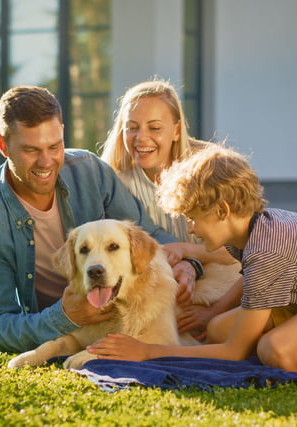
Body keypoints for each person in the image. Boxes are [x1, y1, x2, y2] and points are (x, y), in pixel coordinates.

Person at [88, 144, 297, 372]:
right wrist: (213, 311)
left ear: (222, 210)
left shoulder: (268, 249)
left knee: (277, 352)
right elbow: (251, 280)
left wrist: (147, 352)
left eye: (194, 218)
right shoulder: (253, 231)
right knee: (218, 328)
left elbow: (236, 353)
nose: (191, 229)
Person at [0, 85, 197, 354]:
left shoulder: (89, 170)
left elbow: (147, 233)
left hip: (120, 309)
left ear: (63, 133)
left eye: (54, 146)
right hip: (60, 325)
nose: (46, 162)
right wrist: (66, 316)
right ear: (3, 145)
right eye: (31, 150)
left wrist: (190, 263)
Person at [99, 79, 242, 339]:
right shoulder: (115, 182)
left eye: (154, 127)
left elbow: (238, 249)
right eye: (131, 128)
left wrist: (189, 258)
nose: (141, 138)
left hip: (219, 274)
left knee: (219, 327)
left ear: (176, 130)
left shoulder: (209, 168)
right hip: (157, 283)